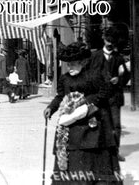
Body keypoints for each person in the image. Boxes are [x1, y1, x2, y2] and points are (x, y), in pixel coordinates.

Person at [43, 42, 121, 184]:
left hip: (92, 123)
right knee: (73, 152)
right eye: (68, 64)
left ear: (83, 62)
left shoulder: (94, 75)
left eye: (73, 64)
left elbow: (105, 92)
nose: (69, 67)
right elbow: (60, 96)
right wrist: (51, 108)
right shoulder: (65, 78)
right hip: (71, 124)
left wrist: (87, 104)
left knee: (91, 154)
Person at [88, 26, 130, 162]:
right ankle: (100, 153)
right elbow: (89, 76)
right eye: (108, 40)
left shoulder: (119, 58)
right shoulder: (94, 56)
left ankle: (114, 152)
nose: (110, 43)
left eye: (112, 41)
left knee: (116, 125)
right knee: (98, 124)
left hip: (114, 97)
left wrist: (119, 80)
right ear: (104, 39)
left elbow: (126, 75)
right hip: (98, 97)